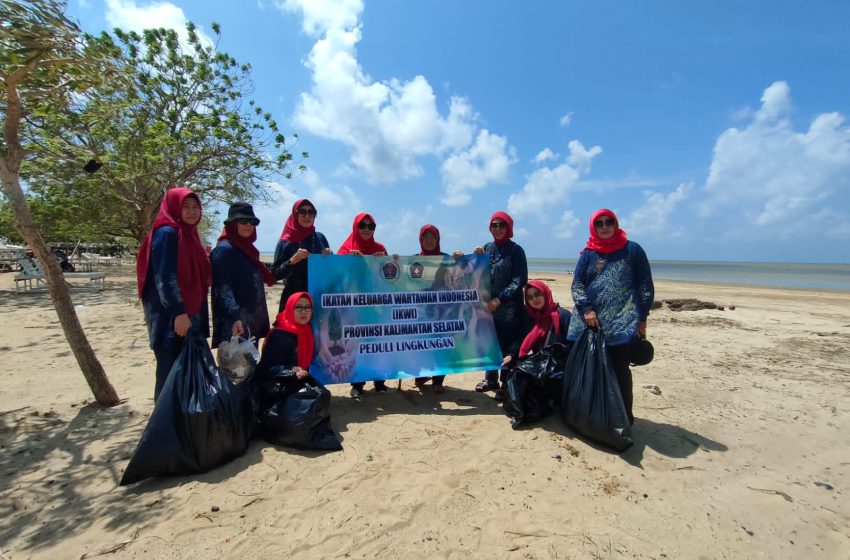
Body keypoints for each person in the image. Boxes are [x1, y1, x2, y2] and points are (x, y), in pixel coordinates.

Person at [567, 208, 654, 425]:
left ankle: (624, 419)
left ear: (616, 224)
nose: (604, 227)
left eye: (609, 222)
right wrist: (586, 309)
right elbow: (577, 284)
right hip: (589, 322)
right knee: (589, 368)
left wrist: (642, 317)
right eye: (599, 223)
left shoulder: (632, 250)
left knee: (619, 369)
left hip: (621, 323)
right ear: (593, 227)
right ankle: (593, 416)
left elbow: (645, 285)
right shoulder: (588, 254)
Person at [137, 187, 211, 401]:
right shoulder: (168, 233)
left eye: (195, 207)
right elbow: (164, 277)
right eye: (185, 207)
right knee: (169, 374)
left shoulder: (189, 235)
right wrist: (178, 312)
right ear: (173, 208)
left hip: (189, 314)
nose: (191, 212)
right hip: (171, 317)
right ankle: (162, 429)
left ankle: (181, 426)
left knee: (186, 374)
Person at [454, 211, 528, 401]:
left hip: (509, 307)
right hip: (487, 307)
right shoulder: (487, 248)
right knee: (488, 340)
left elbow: (520, 279)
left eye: (501, 225)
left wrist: (500, 299)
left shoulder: (516, 250)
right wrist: (466, 258)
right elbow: (474, 272)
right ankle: (490, 379)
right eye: (494, 225)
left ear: (509, 228)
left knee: (507, 343)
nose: (497, 228)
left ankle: (505, 382)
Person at [210, 203, 276, 349]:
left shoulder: (249, 251)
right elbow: (223, 288)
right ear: (232, 224)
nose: (248, 225)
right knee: (236, 369)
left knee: (250, 367)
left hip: (252, 323)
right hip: (235, 325)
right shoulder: (224, 250)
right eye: (242, 221)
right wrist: (234, 317)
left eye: (251, 222)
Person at [338, 212, 389, 397]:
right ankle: (357, 385)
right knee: (356, 344)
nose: (367, 229)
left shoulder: (380, 248)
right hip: (353, 307)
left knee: (376, 342)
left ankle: (380, 382)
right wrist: (350, 261)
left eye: (371, 226)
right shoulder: (346, 249)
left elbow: (388, 276)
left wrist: (392, 260)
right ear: (355, 227)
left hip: (375, 305)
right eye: (363, 226)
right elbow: (336, 276)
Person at [271, 199, 331, 312]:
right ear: (295, 214)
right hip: (294, 301)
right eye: (302, 212)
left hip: (318, 299)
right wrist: (292, 261)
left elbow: (329, 270)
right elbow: (275, 275)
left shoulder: (320, 238)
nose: (307, 216)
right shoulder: (285, 242)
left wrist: (330, 256)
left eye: (311, 212)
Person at [412, 224, 449, 394]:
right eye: (425, 237)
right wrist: (395, 260)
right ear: (420, 240)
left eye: (432, 237)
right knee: (421, 344)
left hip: (442, 309)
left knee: (440, 344)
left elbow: (462, 271)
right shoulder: (413, 259)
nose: (428, 241)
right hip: (420, 310)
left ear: (438, 240)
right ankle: (422, 374)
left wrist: (463, 257)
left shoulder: (446, 259)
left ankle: (438, 380)